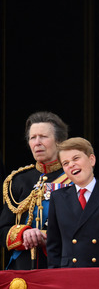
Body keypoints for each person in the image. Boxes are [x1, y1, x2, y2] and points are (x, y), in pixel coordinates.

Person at [47, 137, 99, 268]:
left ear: (91, 159)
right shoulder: (57, 198)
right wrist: (56, 276)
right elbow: (54, 244)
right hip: (68, 274)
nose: (71, 165)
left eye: (76, 158)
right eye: (65, 163)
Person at [1, 111, 71, 270]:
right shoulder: (18, 180)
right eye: (33, 138)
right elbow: (3, 230)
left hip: (61, 266)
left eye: (43, 137)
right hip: (22, 268)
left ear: (59, 141)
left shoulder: (73, 178)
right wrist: (23, 233)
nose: (37, 142)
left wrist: (47, 237)